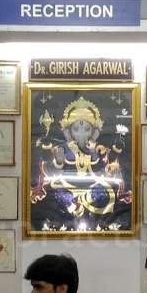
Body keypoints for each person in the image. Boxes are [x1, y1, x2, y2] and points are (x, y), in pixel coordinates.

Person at [29, 96, 133, 232]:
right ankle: (68, 216)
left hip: (93, 189)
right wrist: (59, 162)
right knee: (55, 194)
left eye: (87, 129)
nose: (81, 133)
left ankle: (93, 217)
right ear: (69, 132)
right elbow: (48, 172)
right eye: (76, 129)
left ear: (94, 132)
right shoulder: (63, 148)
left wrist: (107, 166)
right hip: (67, 188)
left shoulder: (98, 149)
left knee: (105, 194)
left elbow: (105, 169)